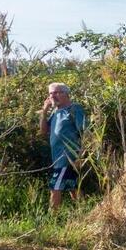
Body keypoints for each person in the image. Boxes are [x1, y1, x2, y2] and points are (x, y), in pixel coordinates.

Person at [38, 82, 86, 210]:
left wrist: (80, 156)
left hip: (68, 157)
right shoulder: (55, 112)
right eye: (50, 94)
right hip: (57, 158)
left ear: (66, 94)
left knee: (55, 187)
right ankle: (84, 212)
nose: (53, 96)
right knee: (72, 186)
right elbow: (43, 131)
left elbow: (85, 133)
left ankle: (53, 218)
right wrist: (44, 111)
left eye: (56, 93)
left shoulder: (75, 109)